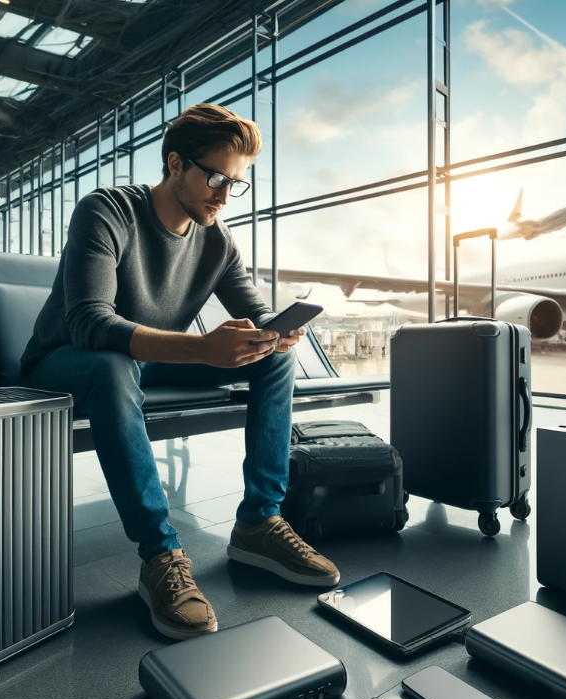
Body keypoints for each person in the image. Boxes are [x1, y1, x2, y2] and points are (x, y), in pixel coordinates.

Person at [20, 103, 340, 640]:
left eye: (235, 183)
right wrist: (201, 350)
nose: (224, 194)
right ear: (175, 164)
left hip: (146, 363)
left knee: (276, 358)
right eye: (216, 177)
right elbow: (89, 323)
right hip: (65, 362)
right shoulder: (107, 211)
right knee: (112, 365)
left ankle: (260, 521)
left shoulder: (217, 241)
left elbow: (253, 309)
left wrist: (273, 331)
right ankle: (160, 554)